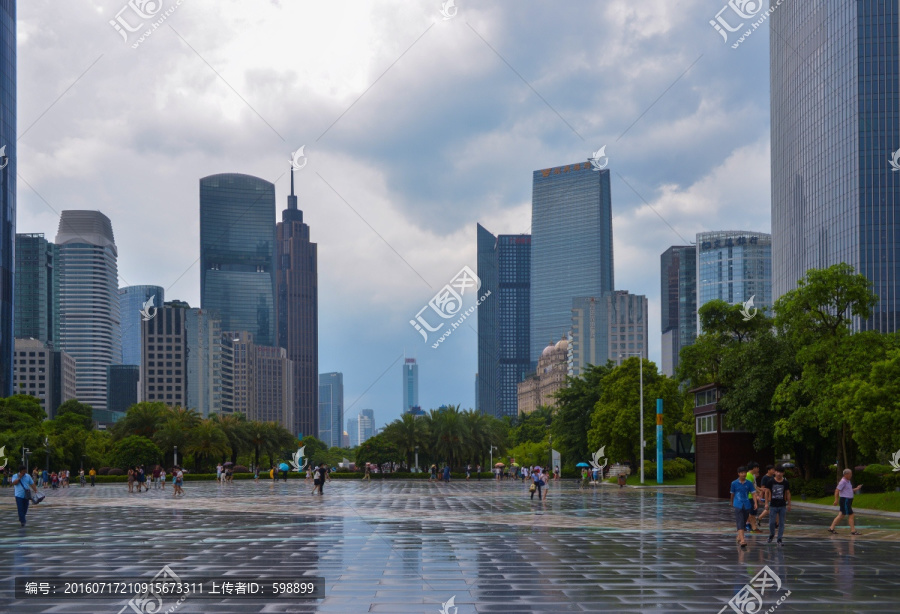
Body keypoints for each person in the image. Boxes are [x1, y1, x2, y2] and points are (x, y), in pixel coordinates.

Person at [829, 468, 863, 535]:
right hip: (845, 500)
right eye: (850, 474)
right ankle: (853, 531)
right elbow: (837, 490)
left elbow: (849, 490)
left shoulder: (848, 481)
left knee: (841, 515)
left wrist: (857, 488)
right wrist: (836, 500)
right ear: (846, 474)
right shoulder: (843, 481)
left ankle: (831, 528)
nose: (851, 475)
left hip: (848, 500)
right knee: (851, 514)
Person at [729, 466, 757, 548]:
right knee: (740, 521)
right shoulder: (734, 483)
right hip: (737, 504)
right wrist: (731, 502)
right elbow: (732, 494)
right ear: (738, 474)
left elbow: (753, 493)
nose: (743, 474)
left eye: (744, 472)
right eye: (742, 473)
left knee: (744, 521)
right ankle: (742, 540)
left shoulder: (749, 483)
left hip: (747, 504)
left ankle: (739, 536)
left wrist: (755, 503)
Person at [765, 465, 791, 545]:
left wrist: (789, 504)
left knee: (781, 522)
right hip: (773, 505)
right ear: (775, 472)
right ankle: (772, 534)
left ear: (783, 473)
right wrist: (766, 503)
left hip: (782, 505)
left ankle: (779, 539)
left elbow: (788, 493)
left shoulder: (785, 482)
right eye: (777, 472)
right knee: (772, 522)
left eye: (780, 472)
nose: (779, 474)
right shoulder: (770, 481)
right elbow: (767, 492)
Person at [746, 462, 761, 532]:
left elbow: (754, 486)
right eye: (757, 468)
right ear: (754, 468)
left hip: (752, 496)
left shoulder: (751, 475)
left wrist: (759, 490)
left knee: (753, 512)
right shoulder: (749, 475)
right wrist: (756, 495)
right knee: (752, 512)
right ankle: (752, 527)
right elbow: (750, 487)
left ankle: (753, 526)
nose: (758, 469)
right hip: (750, 496)